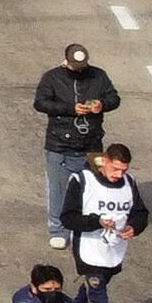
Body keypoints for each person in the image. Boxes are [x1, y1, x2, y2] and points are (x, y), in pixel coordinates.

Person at [61, 143, 148, 303]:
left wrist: (133, 227)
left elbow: (141, 213)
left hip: (113, 253)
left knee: (87, 297)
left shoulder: (129, 183)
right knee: (100, 302)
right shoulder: (82, 180)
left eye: (123, 170)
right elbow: (68, 217)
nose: (119, 175)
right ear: (105, 161)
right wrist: (97, 221)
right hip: (89, 253)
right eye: (116, 169)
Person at [33, 42, 120, 247]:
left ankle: (87, 226)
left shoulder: (99, 75)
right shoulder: (52, 77)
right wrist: (70, 109)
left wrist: (102, 105)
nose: (79, 70)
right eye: (75, 66)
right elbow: (40, 103)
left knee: (93, 188)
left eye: (82, 65)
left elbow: (114, 98)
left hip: (92, 143)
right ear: (67, 61)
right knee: (59, 188)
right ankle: (58, 228)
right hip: (60, 144)